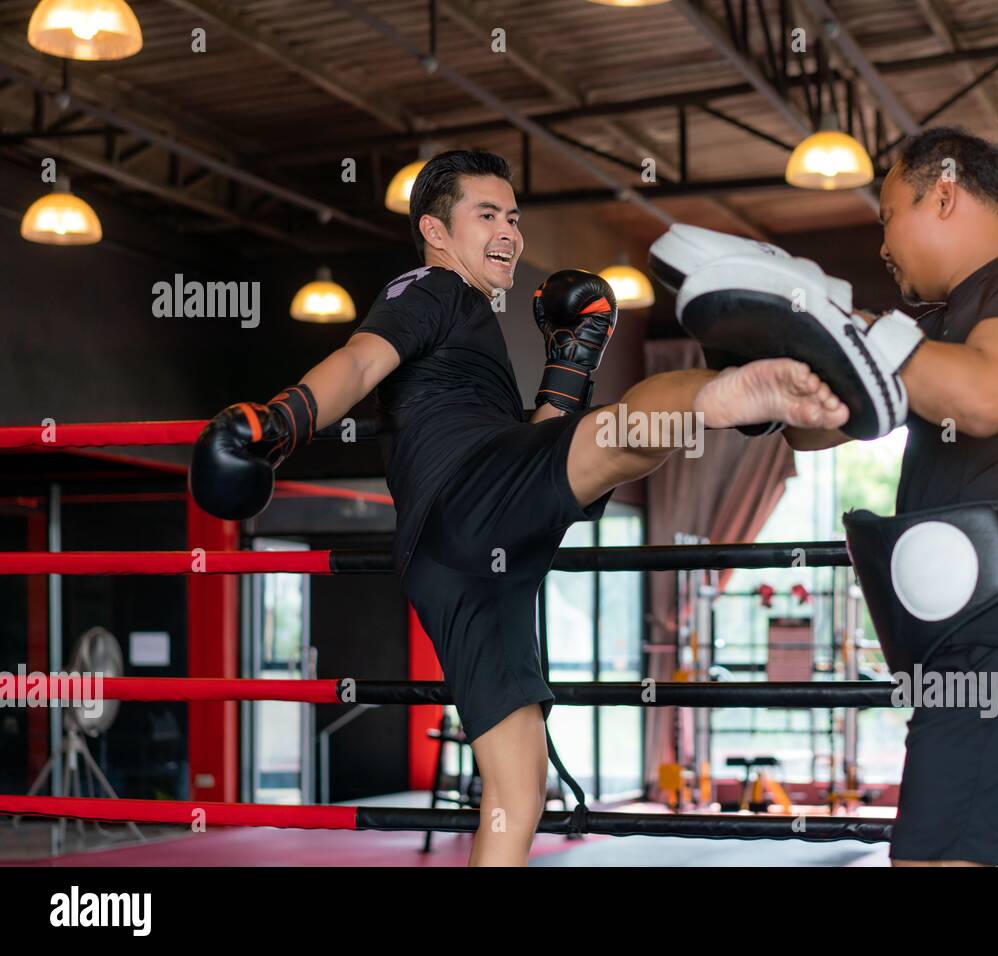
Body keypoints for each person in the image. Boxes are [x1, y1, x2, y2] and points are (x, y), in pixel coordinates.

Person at [188, 149, 850, 866]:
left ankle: (732, 403)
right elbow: (359, 360)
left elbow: (534, 463)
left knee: (518, 789)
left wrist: (568, 371)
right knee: (625, 437)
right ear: (436, 230)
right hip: (465, 500)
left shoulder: (472, 325)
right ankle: (742, 393)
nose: (508, 231)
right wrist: (286, 420)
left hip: (465, 559)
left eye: (513, 217)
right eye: (487, 215)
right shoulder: (434, 287)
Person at [783, 127, 998, 866]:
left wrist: (859, 332)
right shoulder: (930, 331)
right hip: (995, 638)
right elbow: (811, 431)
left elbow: (987, 395)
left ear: (942, 191)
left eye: (886, 216)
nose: (882, 244)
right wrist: (792, 354)